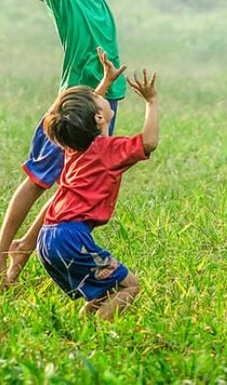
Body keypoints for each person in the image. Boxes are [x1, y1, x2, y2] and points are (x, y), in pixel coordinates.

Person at [0, 0, 171, 289]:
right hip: (74, 104)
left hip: (106, 102)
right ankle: (0, 254)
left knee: (70, 187)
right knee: (38, 180)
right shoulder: (62, 1)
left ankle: (18, 265)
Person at [37, 67, 160, 319]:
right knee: (130, 286)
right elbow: (149, 142)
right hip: (71, 237)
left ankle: (83, 327)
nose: (100, 95)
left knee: (103, 292)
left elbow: (79, 116)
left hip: (47, 237)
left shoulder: (74, 146)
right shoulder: (108, 151)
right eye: (97, 98)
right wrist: (151, 101)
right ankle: (97, 334)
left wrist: (105, 82)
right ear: (98, 119)